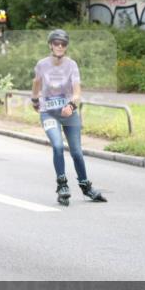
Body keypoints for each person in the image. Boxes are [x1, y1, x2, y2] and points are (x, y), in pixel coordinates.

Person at [31, 29, 106, 206]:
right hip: (48, 112)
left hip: (68, 113)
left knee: (77, 153)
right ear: (50, 45)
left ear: (66, 47)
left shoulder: (72, 65)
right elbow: (36, 83)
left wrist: (71, 105)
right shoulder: (42, 64)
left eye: (63, 44)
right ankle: (62, 185)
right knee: (57, 146)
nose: (59, 46)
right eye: (56, 43)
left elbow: (77, 91)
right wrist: (35, 101)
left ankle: (86, 186)